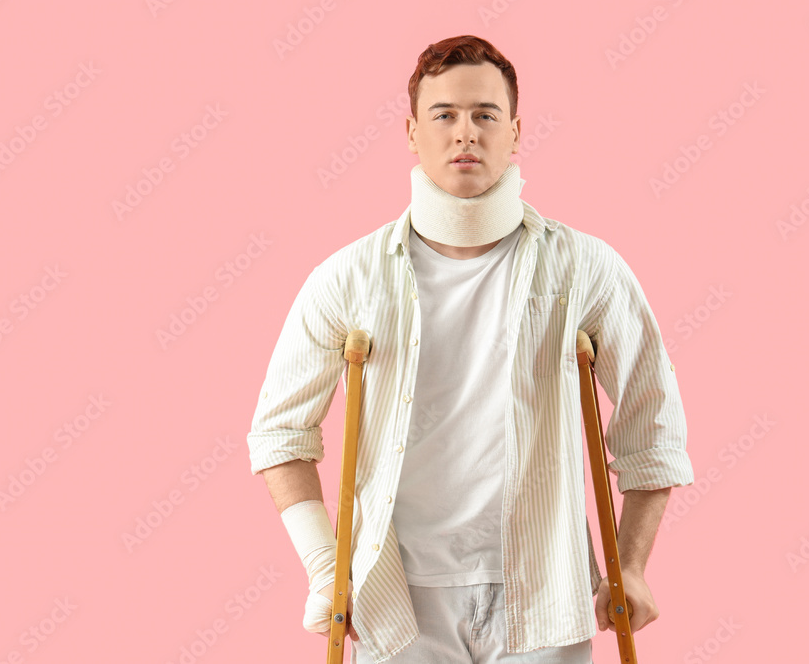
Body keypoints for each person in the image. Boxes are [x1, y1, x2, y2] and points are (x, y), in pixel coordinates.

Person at [246, 34, 694, 664]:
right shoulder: (348, 277)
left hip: (545, 591)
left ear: (514, 132)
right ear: (411, 132)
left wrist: (634, 564)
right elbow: (279, 434)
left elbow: (655, 425)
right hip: (397, 599)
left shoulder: (587, 267)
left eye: (485, 115)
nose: (466, 134)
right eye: (444, 115)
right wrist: (327, 567)